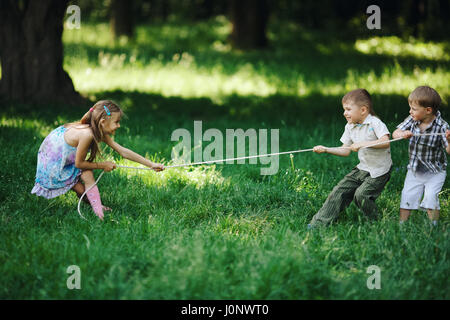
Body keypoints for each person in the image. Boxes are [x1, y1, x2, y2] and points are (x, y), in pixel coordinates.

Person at [31, 100, 165, 220]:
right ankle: (98, 210)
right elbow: (79, 163)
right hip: (54, 164)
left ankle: (98, 211)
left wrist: (151, 165)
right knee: (81, 190)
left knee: (88, 176)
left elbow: (123, 151)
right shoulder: (87, 134)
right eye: (116, 122)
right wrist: (103, 165)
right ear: (102, 122)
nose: (118, 126)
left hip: (67, 158)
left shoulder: (98, 130)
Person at [308, 89, 392, 228]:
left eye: (348, 109)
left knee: (361, 195)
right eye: (344, 109)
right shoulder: (350, 126)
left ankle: (376, 223)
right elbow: (345, 150)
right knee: (339, 191)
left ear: (363, 110)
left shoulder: (375, 123)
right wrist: (326, 149)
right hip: (363, 168)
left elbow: (385, 142)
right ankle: (319, 224)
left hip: (379, 170)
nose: (344, 113)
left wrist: (363, 144)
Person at [392, 86, 450, 226]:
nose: (410, 111)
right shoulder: (412, 120)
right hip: (415, 170)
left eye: (414, 109)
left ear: (428, 110)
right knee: (407, 196)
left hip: (435, 171)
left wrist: (448, 140)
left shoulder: (442, 126)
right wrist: (402, 134)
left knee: (431, 197)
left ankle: (433, 226)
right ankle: (402, 224)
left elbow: (448, 151)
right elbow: (395, 133)